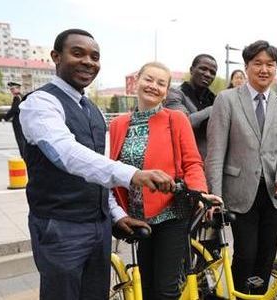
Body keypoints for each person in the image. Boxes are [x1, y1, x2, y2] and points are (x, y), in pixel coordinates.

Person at [18, 29, 174, 299]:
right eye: (77, 53)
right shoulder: (40, 103)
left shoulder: (92, 110)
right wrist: (134, 174)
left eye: (95, 56)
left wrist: (116, 215)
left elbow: (99, 168)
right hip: (61, 226)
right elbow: (65, 153)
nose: (88, 62)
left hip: (98, 228)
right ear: (56, 57)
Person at [109, 62, 222, 298]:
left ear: (167, 90)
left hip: (171, 213)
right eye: (148, 79)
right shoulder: (119, 124)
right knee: (146, 286)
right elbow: (112, 167)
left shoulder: (176, 119)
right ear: (137, 80)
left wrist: (199, 192)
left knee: (166, 289)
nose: (153, 86)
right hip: (136, 216)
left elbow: (192, 162)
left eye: (161, 83)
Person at [205, 40, 277, 294]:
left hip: (273, 193)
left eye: (270, 64)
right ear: (246, 67)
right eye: (258, 63)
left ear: (275, 68)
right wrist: (215, 196)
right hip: (238, 192)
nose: (264, 69)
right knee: (245, 254)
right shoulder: (227, 100)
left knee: (266, 257)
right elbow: (215, 151)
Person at [165, 54, 218, 158]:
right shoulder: (175, 94)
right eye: (203, 69)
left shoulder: (214, 98)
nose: (208, 74)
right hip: (184, 161)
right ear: (191, 70)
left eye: (212, 72)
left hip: (210, 162)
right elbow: (185, 123)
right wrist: (214, 109)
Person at [4, 81, 25, 156]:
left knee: (20, 140)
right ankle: (25, 156)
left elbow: (14, 109)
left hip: (18, 121)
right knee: (23, 139)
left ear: (18, 89)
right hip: (23, 121)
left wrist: (5, 118)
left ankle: (23, 156)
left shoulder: (17, 97)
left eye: (13, 89)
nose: (11, 91)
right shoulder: (23, 96)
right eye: (11, 89)